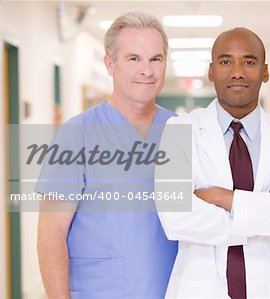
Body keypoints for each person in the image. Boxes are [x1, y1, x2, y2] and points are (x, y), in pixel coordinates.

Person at [156, 27, 270, 299]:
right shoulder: (179, 130)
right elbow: (175, 218)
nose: (237, 72)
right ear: (211, 71)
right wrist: (268, 203)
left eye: (249, 61)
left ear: (265, 71)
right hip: (200, 290)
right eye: (225, 62)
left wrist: (224, 198)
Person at [36, 12, 177, 299]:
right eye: (134, 58)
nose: (146, 71)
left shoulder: (181, 131)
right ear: (110, 65)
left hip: (172, 288)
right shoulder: (76, 135)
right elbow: (51, 235)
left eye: (156, 59)